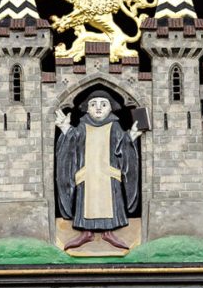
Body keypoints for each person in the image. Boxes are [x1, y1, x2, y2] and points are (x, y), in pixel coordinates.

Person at [54, 86, 141, 249]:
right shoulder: (82, 127)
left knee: (110, 201)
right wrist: (65, 128)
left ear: (110, 108)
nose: (99, 108)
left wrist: (131, 136)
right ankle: (86, 232)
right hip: (87, 175)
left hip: (109, 175)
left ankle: (109, 232)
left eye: (103, 104)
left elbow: (122, 144)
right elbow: (73, 143)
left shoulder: (115, 126)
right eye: (93, 104)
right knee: (86, 202)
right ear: (87, 109)